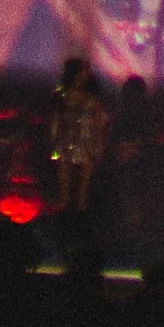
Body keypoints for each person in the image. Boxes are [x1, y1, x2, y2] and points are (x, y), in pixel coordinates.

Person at [48, 53, 111, 214]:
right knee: (64, 185)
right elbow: (55, 120)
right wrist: (53, 143)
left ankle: (81, 215)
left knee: (84, 188)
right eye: (84, 70)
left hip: (87, 143)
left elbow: (99, 122)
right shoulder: (61, 95)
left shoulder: (93, 98)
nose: (88, 73)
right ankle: (64, 214)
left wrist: (99, 145)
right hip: (65, 143)